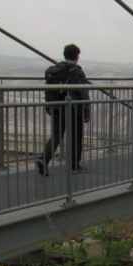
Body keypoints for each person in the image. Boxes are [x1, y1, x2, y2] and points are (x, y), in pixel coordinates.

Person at [36, 44, 90, 176]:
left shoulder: (56, 70)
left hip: (56, 107)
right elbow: (83, 92)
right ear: (77, 56)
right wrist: (86, 112)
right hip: (73, 109)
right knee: (76, 137)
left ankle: (44, 159)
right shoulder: (77, 72)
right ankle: (74, 166)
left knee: (56, 136)